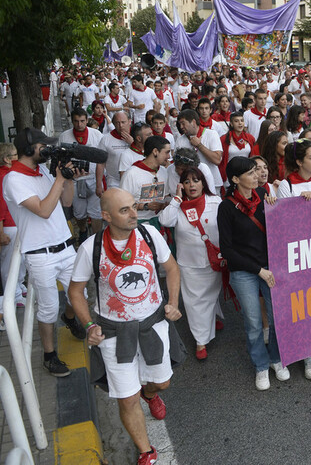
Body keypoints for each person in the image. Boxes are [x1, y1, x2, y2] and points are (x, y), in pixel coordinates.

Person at [68, 188, 182, 465]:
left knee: (163, 382)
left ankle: (151, 392)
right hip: (113, 333)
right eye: (125, 210)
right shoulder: (90, 248)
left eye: (134, 207)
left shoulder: (149, 235)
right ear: (105, 216)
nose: (134, 214)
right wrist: (89, 325)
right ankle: (146, 451)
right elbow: (75, 291)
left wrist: (173, 303)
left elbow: (172, 269)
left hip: (152, 324)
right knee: (126, 399)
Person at [3, 128, 86, 377]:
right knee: (47, 308)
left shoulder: (42, 173)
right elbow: (43, 210)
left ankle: (70, 318)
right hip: (40, 254)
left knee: (78, 295)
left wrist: (69, 179)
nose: (48, 151)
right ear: (29, 149)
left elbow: (67, 202)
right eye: (44, 146)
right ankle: (49, 356)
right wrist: (60, 179)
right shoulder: (14, 179)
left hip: (65, 246)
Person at [218, 157, 291, 389]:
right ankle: (261, 365)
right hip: (245, 272)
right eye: (249, 173)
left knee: (277, 317)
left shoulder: (263, 195)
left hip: (270, 266)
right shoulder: (226, 207)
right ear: (235, 179)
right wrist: (259, 270)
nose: (256, 176)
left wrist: (274, 209)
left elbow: (278, 231)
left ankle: (276, 359)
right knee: (253, 322)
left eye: (255, 171)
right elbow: (227, 249)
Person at [158, 168, 223, 360]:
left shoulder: (216, 202)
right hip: (189, 264)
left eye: (196, 181)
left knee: (211, 297)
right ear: (181, 186)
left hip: (214, 261)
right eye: (187, 182)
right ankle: (200, 341)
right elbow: (164, 220)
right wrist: (176, 199)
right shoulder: (177, 206)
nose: (191, 185)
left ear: (203, 183)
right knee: (194, 303)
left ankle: (212, 319)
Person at [58, 107, 105, 241]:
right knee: (79, 213)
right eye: (76, 121)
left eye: (82, 121)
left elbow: (102, 160)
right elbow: (61, 158)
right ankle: (83, 231)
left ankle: (96, 239)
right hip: (75, 180)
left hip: (93, 178)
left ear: (87, 120)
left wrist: (99, 183)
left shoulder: (96, 135)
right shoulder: (64, 136)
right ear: (72, 121)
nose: (79, 124)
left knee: (96, 213)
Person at [0, 144, 26, 328]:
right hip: (9, 226)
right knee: (9, 263)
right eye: (16, 155)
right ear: (7, 159)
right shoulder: (3, 177)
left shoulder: (10, 176)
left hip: (16, 224)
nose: (19, 157)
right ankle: (14, 295)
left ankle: (20, 286)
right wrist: (1, 232)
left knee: (20, 259)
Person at [120, 135, 171, 229]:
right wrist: (145, 206)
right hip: (138, 225)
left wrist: (166, 203)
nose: (169, 156)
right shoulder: (131, 174)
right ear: (155, 151)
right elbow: (121, 204)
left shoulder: (164, 171)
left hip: (160, 223)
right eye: (167, 152)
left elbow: (166, 195)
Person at [176, 109, 224, 192]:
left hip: (212, 182)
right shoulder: (180, 140)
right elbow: (178, 166)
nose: (181, 127)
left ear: (193, 122)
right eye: (180, 124)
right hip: (192, 186)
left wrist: (199, 145)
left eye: (183, 123)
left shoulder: (211, 134)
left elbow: (217, 160)